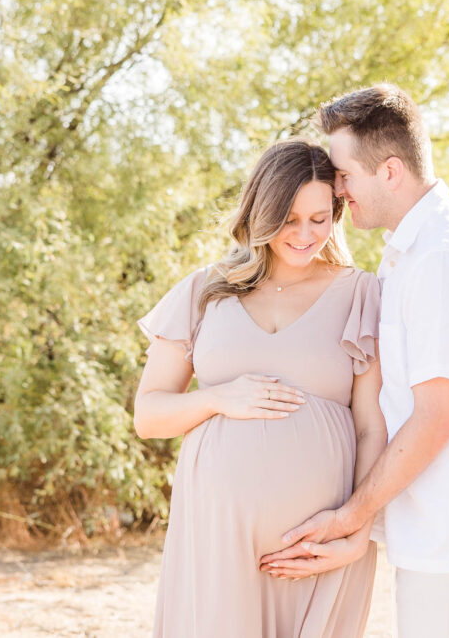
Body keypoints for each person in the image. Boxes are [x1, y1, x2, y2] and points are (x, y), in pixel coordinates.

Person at [259, 85, 449, 637]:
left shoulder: (443, 257)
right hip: (435, 529)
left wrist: (353, 515)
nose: (337, 192)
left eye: (344, 175)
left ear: (389, 171)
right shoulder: (411, 249)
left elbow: (437, 417)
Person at [133, 138, 387, 637]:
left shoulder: (360, 293)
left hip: (315, 543)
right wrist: (215, 398)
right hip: (215, 535)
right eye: (289, 218)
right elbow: (148, 416)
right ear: (260, 212)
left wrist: (355, 528)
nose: (305, 234)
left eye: (320, 217)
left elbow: (371, 429)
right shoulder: (204, 291)